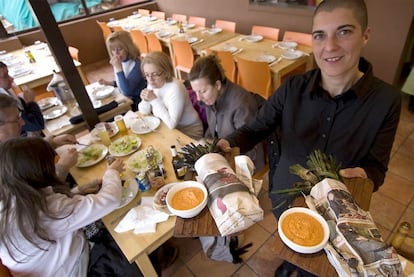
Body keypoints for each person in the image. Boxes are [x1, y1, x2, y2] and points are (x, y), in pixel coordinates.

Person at [216, 0, 401, 276]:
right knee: (291, 243)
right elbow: (256, 128)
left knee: (317, 265)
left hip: (336, 210)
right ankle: (289, 264)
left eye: (344, 31)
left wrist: (364, 175)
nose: (329, 46)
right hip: (285, 197)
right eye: (319, 35)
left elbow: (377, 168)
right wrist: (227, 144)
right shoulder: (292, 87)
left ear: (366, 35)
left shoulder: (386, 101)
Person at [0, 137, 128, 276]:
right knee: (127, 240)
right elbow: (110, 200)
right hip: (78, 268)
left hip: (57, 261)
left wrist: (77, 191)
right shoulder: (47, 210)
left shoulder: (11, 199)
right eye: (52, 163)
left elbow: (56, 213)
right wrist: (112, 172)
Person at [188, 54, 265, 169]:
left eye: (203, 91)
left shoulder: (241, 104)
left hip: (245, 163)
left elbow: (251, 149)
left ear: (217, 85)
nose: (198, 98)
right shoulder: (211, 98)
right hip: (224, 155)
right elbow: (213, 129)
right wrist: (204, 143)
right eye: (196, 92)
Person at [0, 93, 77, 181]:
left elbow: (27, 150)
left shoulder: (9, 144)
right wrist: (63, 167)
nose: (23, 123)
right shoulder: (5, 165)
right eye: (16, 119)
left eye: (20, 117)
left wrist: (52, 141)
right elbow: (39, 191)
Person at [138, 51, 203, 140]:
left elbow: (172, 124)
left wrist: (154, 100)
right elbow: (144, 112)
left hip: (189, 131)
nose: (150, 79)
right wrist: (145, 100)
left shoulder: (175, 88)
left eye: (155, 74)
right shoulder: (153, 83)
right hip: (169, 129)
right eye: (147, 75)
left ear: (165, 72)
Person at [99, 30, 146, 110]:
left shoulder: (136, 64)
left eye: (120, 49)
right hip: (126, 99)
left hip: (138, 103)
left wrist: (119, 69)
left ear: (128, 48)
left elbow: (127, 91)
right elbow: (122, 82)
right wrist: (109, 83)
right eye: (113, 50)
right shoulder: (120, 62)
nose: (116, 53)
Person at [0, 61, 44, 135]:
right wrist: (30, 102)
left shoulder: (7, 92)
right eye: (5, 76)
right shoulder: (4, 104)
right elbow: (36, 125)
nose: (11, 78)